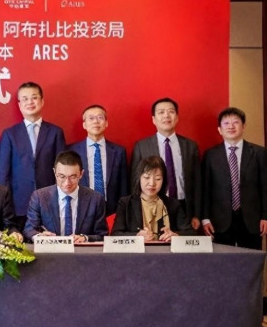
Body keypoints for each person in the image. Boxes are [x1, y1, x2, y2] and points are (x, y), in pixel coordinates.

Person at [0, 82, 66, 228]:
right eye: (25, 99)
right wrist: (6, 205)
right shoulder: (10, 134)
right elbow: (3, 174)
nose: (30, 102)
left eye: (34, 97)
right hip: (19, 205)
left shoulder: (55, 133)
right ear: (19, 104)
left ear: (42, 101)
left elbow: (63, 171)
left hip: (50, 202)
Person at [202, 107, 267, 250]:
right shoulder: (211, 155)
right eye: (226, 123)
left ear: (243, 126)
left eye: (235, 122)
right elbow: (206, 189)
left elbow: (265, 187)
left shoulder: (259, 153)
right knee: (222, 260)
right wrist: (205, 218)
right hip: (219, 220)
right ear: (219, 129)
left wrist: (265, 216)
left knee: (251, 259)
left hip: (252, 219)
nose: (231, 126)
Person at [131, 97, 201, 230]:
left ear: (177, 117)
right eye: (161, 112)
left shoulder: (190, 146)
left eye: (171, 111)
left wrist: (196, 214)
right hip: (153, 206)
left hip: (184, 207)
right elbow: (134, 182)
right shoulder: (141, 146)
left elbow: (197, 182)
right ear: (153, 119)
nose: (166, 115)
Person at [23, 151, 107, 243]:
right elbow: (29, 229)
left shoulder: (95, 199)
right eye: (62, 176)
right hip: (51, 250)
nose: (67, 183)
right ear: (54, 172)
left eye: (73, 177)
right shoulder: (39, 197)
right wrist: (39, 236)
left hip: (81, 250)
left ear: (81, 174)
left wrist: (85, 238)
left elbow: (102, 235)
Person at [111, 156, 193, 240]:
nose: (152, 183)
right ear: (139, 178)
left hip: (166, 248)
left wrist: (176, 235)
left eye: (158, 179)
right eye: (147, 177)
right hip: (138, 249)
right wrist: (137, 236)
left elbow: (191, 233)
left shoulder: (173, 204)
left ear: (163, 180)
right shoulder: (125, 203)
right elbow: (115, 235)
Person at [67, 105, 128, 216]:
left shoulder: (119, 152)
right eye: (91, 118)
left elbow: (123, 186)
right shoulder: (71, 150)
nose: (96, 121)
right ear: (84, 125)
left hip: (111, 209)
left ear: (106, 123)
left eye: (100, 117)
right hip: (80, 208)